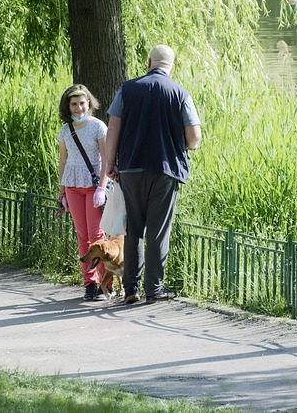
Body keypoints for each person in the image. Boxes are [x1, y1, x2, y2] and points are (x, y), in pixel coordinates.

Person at [105, 45, 202, 304]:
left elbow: (113, 127)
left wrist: (110, 163)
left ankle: (131, 288)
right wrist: (189, 146)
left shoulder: (127, 89)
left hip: (131, 168)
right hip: (165, 170)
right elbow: (194, 135)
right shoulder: (180, 93)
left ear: (148, 62)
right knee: (158, 232)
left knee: (133, 229)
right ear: (172, 66)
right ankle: (154, 290)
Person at [57, 84, 111, 301]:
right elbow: (63, 160)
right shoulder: (65, 130)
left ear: (89, 103)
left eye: (82, 103)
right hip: (72, 186)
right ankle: (89, 284)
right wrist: (62, 191)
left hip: (93, 185)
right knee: (82, 237)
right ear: (68, 107)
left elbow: (107, 159)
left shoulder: (98, 126)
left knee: (96, 235)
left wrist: (102, 188)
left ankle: (105, 283)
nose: (79, 108)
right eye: (74, 104)